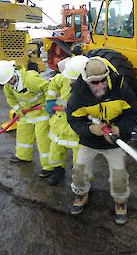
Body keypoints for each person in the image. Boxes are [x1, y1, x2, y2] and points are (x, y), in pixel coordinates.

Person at [66, 56, 137, 224]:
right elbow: (73, 120)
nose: (100, 85)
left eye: (103, 80)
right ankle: (81, 193)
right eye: (95, 83)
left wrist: (118, 129)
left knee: (119, 176)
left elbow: (132, 115)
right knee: (79, 172)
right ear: (85, 80)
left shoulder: (122, 89)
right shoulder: (78, 95)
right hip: (89, 141)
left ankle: (120, 203)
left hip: (114, 142)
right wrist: (90, 129)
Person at [0, 60, 54, 177]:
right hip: (27, 113)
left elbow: (49, 88)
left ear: (14, 71)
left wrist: (49, 103)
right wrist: (18, 110)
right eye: (7, 81)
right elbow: (10, 98)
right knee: (23, 133)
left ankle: (49, 166)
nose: (10, 82)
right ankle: (23, 156)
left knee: (43, 138)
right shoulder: (8, 86)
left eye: (11, 79)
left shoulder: (30, 79)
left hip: (42, 112)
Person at [43, 55, 89, 185]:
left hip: (78, 125)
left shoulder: (92, 83)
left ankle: (82, 181)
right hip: (60, 121)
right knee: (56, 150)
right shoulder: (64, 76)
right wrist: (50, 101)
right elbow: (53, 84)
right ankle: (58, 170)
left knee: (80, 157)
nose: (71, 82)